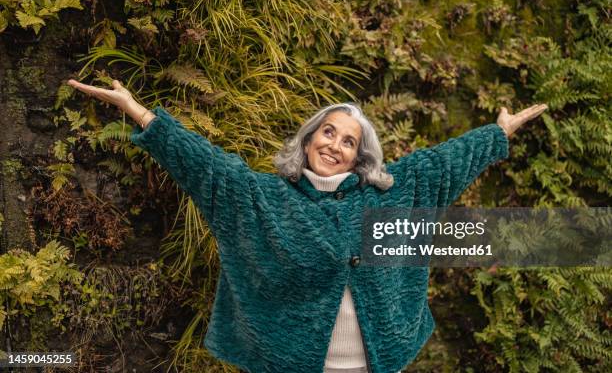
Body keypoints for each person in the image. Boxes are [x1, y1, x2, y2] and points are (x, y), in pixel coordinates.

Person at [67, 78, 547, 373]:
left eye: (349, 141)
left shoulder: (394, 192)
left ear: (361, 155)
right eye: (328, 132)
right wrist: (139, 112)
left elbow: (446, 162)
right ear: (310, 138)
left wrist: (497, 132)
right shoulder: (262, 198)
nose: (336, 144)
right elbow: (205, 165)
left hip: (377, 364)